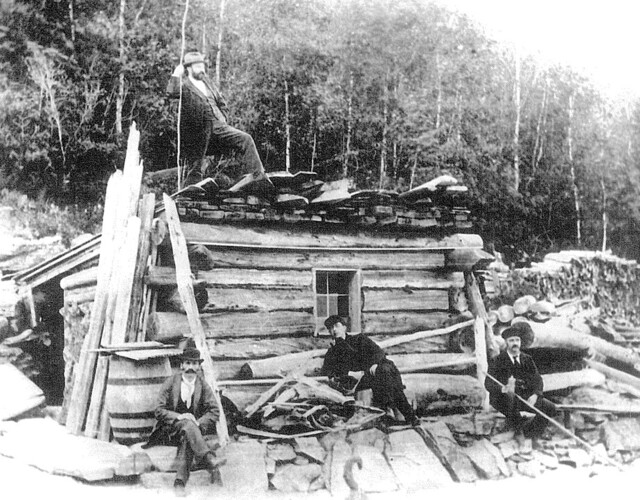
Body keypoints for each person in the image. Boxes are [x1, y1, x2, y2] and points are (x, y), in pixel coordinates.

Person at [166, 51, 273, 192]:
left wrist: (224, 118)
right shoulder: (184, 86)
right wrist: (175, 74)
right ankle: (191, 191)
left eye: (202, 65)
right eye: (197, 66)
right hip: (198, 129)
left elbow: (222, 103)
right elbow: (171, 93)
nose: (202, 69)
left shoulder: (209, 84)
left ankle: (258, 177)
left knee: (245, 139)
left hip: (219, 125)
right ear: (189, 68)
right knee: (196, 162)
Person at [145, 342, 223, 496]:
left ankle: (179, 483)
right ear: (181, 365)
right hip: (169, 431)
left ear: (199, 367)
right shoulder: (171, 382)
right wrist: (180, 416)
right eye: (187, 363)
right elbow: (159, 410)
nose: (190, 368)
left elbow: (214, 411)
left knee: (188, 434)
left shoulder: (203, 385)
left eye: (194, 364)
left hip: (192, 433)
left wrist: (198, 422)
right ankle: (208, 458)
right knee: (187, 424)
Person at [321, 315, 419, 426]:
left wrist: (374, 364)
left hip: (371, 374)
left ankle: (390, 411)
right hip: (355, 382)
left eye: (336, 326)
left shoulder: (359, 339)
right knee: (386, 374)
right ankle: (404, 414)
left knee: (385, 370)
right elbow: (328, 371)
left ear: (344, 327)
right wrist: (350, 373)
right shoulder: (332, 352)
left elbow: (378, 352)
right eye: (330, 328)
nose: (334, 330)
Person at [485, 322, 557, 443]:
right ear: (506, 343)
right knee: (511, 403)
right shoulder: (497, 360)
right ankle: (518, 433)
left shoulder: (527, 359)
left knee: (550, 408)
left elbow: (538, 380)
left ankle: (531, 433)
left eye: (517, 340)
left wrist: (535, 395)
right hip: (502, 399)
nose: (515, 343)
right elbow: (488, 383)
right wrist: (502, 389)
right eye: (511, 340)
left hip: (524, 398)